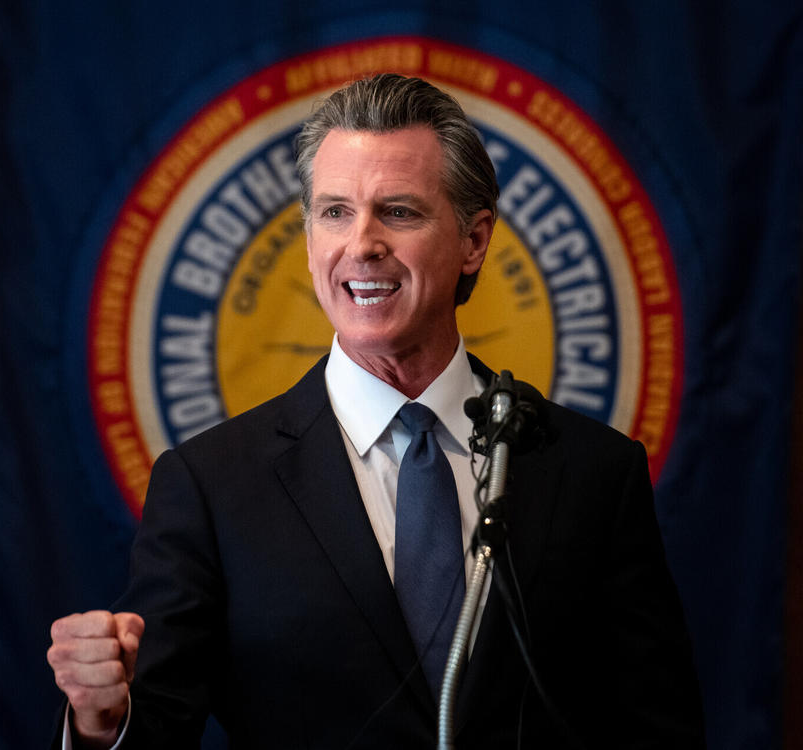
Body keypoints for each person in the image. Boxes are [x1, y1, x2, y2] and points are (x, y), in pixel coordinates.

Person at [47, 73, 704, 749]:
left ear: (474, 240)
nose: (361, 243)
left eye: (399, 211)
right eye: (334, 212)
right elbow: (157, 725)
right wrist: (102, 723)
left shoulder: (592, 471)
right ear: (308, 240)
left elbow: (658, 727)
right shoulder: (211, 486)